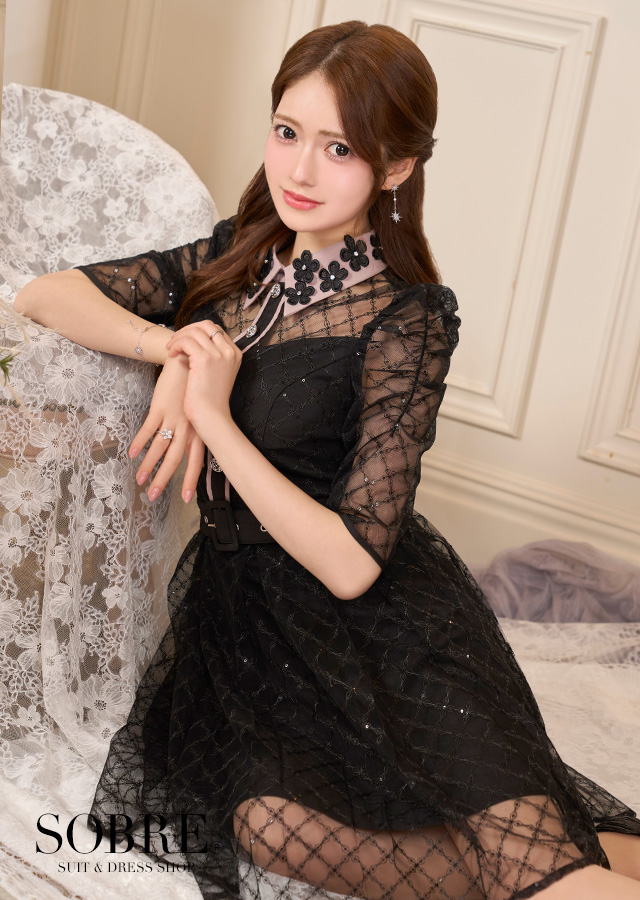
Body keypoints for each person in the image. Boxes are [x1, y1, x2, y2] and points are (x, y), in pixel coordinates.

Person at [15, 19, 640, 900]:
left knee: (536, 863)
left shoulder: (409, 318)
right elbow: (46, 294)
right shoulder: (234, 259)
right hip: (251, 628)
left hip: (388, 626)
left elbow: (352, 564)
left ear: (397, 167)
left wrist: (214, 418)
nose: (300, 171)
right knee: (268, 828)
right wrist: (175, 347)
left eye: (339, 148)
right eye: (287, 132)